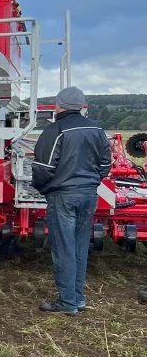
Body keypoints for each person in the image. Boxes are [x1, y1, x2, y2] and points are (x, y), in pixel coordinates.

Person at [31, 86, 111, 315]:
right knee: (79, 246)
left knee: (63, 248)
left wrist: (43, 188)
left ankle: (67, 302)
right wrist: (93, 181)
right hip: (88, 194)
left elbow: (43, 168)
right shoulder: (97, 129)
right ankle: (78, 297)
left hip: (63, 196)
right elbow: (105, 164)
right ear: (82, 105)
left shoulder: (55, 130)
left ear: (59, 106)